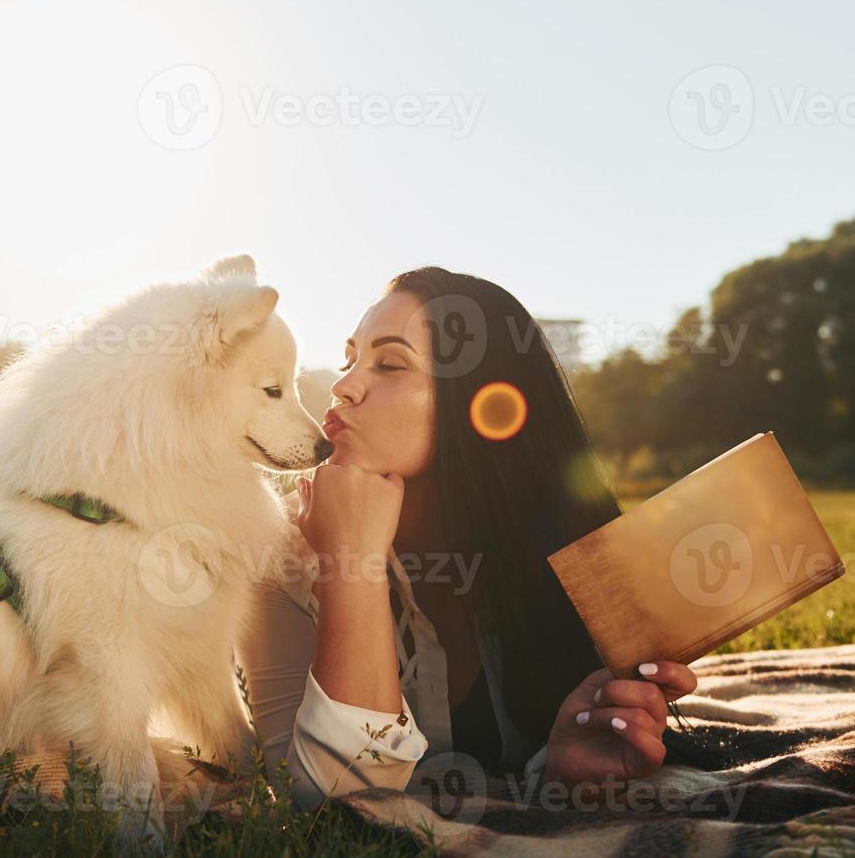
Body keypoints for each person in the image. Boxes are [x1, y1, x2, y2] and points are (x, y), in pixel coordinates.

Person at [235, 266, 699, 810]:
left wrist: (557, 771)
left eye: (389, 364)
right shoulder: (278, 556)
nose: (342, 386)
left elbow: (554, 756)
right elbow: (326, 804)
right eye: (349, 358)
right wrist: (350, 562)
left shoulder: (560, 551)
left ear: (481, 406)